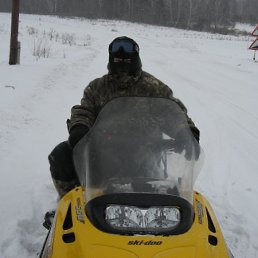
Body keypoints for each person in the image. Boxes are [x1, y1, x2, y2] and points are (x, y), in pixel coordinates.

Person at [48, 36, 200, 199]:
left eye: (127, 60)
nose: (122, 64)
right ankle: (70, 201)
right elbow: (85, 110)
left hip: (143, 153)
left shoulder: (152, 87)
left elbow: (171, 111)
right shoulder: (97, 87)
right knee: (61, 155)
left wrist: (184, 131)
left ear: (136, 59)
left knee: (148, 193)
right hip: (103, 151)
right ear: (111, 60)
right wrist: (79, 127)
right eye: (118, 59)